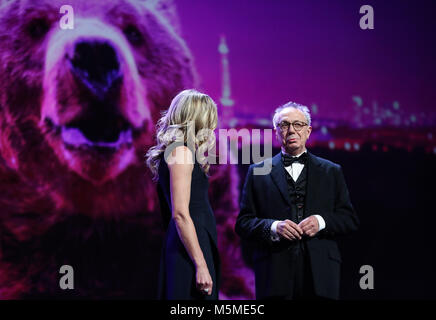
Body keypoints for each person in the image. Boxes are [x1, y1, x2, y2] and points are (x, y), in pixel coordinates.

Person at [235, 102, 359, 300]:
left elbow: (349, 219)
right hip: (274, 274)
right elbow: (243, 223)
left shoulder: (331, 171)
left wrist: (321, 222)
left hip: (321, 274)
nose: (291, 130)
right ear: (276, 132)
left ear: (308, 131)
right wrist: (274, 227)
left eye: (298, 124)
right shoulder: (257, 171)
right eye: (284, 125)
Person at [146, 89, 220, 300]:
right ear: (196, 118)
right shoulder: (181, 152)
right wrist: (201, 264)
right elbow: (180, 214)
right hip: (189, 250)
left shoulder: (181, 151)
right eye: (209, 117)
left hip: (191, 245)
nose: (212, 126)